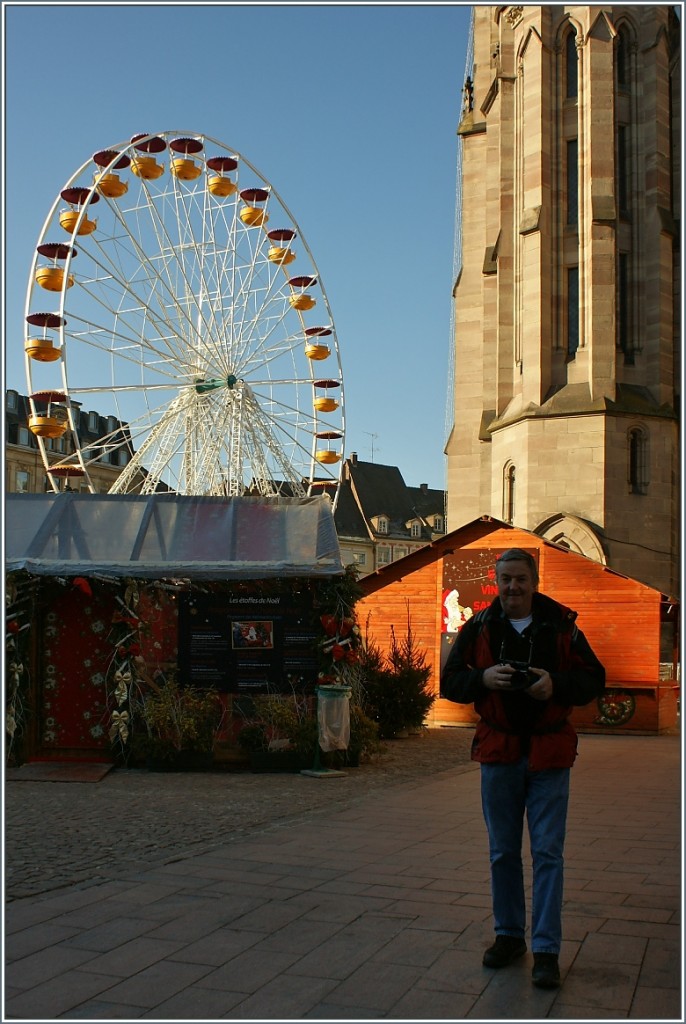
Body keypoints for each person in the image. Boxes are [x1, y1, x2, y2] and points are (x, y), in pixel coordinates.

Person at [440, 548, 605, 989]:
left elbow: (594, 679)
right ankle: (509, 935)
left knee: (548, 854)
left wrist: (557, 685)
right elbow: (449, 681)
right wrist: (482, 679)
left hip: (549, 753)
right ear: (497, 582)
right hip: (499, 751)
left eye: (520, 579)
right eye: (506, 579)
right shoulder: (478, 626)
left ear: (534, 582)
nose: (513, 587)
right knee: (502, 852)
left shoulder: (562, 626)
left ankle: (547, 949)